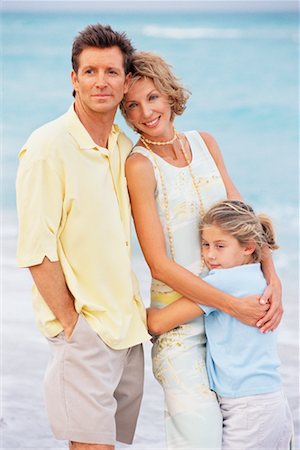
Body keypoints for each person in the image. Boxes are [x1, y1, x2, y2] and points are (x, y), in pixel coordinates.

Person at [120, 51, 283, 449]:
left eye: (153, 97)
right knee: (199, 438)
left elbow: (244, 218)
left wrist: (272, 277)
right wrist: (229, 302)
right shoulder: (139, 166)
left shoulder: (205, 142)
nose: (146, 112)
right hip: (180, 325)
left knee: (248, 432)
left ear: (170, 95)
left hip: (229, 327)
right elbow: (158, 264)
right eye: (132, 105)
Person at [16, 24, 150, 450]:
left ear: (126, 80)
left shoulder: (124, 146)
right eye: (89, 71)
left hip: (127, 328)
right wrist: (74, 326)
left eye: (111, 72)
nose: (100, 82)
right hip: (86, 331)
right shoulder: (47, 147)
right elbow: (37, 250)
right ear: (73, 79)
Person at [147, 200, 294, 450]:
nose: (210, 255)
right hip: (272, 401)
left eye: (220, 246)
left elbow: (157, 323)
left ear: (248, 247)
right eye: (205, 245)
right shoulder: (254, 275)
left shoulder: (225, 280)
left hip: (248, 409)